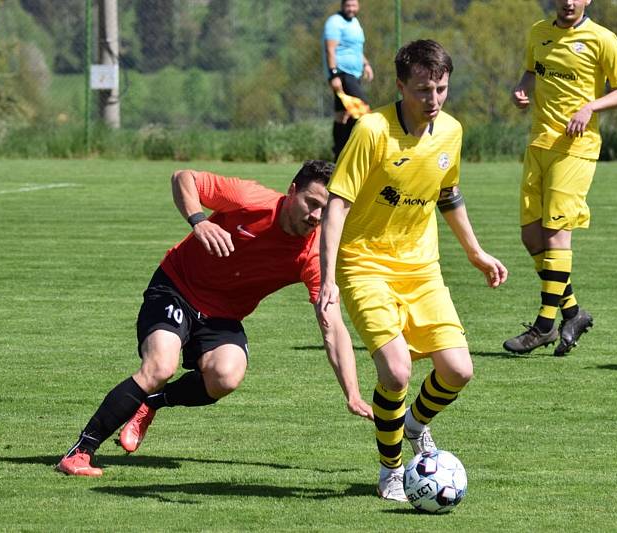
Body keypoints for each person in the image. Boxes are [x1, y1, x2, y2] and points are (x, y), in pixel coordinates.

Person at [57, 160, 373, 477]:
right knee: (160, 366)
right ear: (292, 191)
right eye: (312, 203)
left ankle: (152, 401)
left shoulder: (314, 255)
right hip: (177, 287)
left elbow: (332, 327)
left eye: (325, 210)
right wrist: (199, 221)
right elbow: (183, 178)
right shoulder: (252, 199)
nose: (316, 216)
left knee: (226, 376)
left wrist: (352, 393)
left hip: (222, 315)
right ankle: (81, 452)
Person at [317, 40, 508, 502]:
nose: (434, 99)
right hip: (364, 265)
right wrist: (327, 280)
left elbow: (448, 194)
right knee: (398, 373)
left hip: (422, 268)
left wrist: (476, 253)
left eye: (441, 88)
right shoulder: (371, 130)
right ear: (401, 86)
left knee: (459, 370)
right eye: (423, 90)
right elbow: (337, 205)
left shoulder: (451, 132)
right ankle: (391, 470)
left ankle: (414, 423)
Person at [503, 0, 617, 356]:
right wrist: (522, 90)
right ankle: (573, 313)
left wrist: (590, 106)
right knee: (531, 236)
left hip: (577, 148)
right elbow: (531, 71)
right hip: (538, 143)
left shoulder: (602, 38)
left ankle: (544, 325)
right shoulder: (538, 32)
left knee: (556, 234)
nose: (568, 2)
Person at [323, 0, 374, 160]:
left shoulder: (355, 23)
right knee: (362, 110)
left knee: (342, 114)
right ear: (342, 5)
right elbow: (330, 49)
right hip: (343, 74)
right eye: (348, 5)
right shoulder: (335, 22)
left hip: (354, 73)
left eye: (354, 5)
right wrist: (334, 75)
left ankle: (339, 153)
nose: (351, 9)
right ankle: (356, 150)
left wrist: (365, 64)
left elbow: (355, 49)